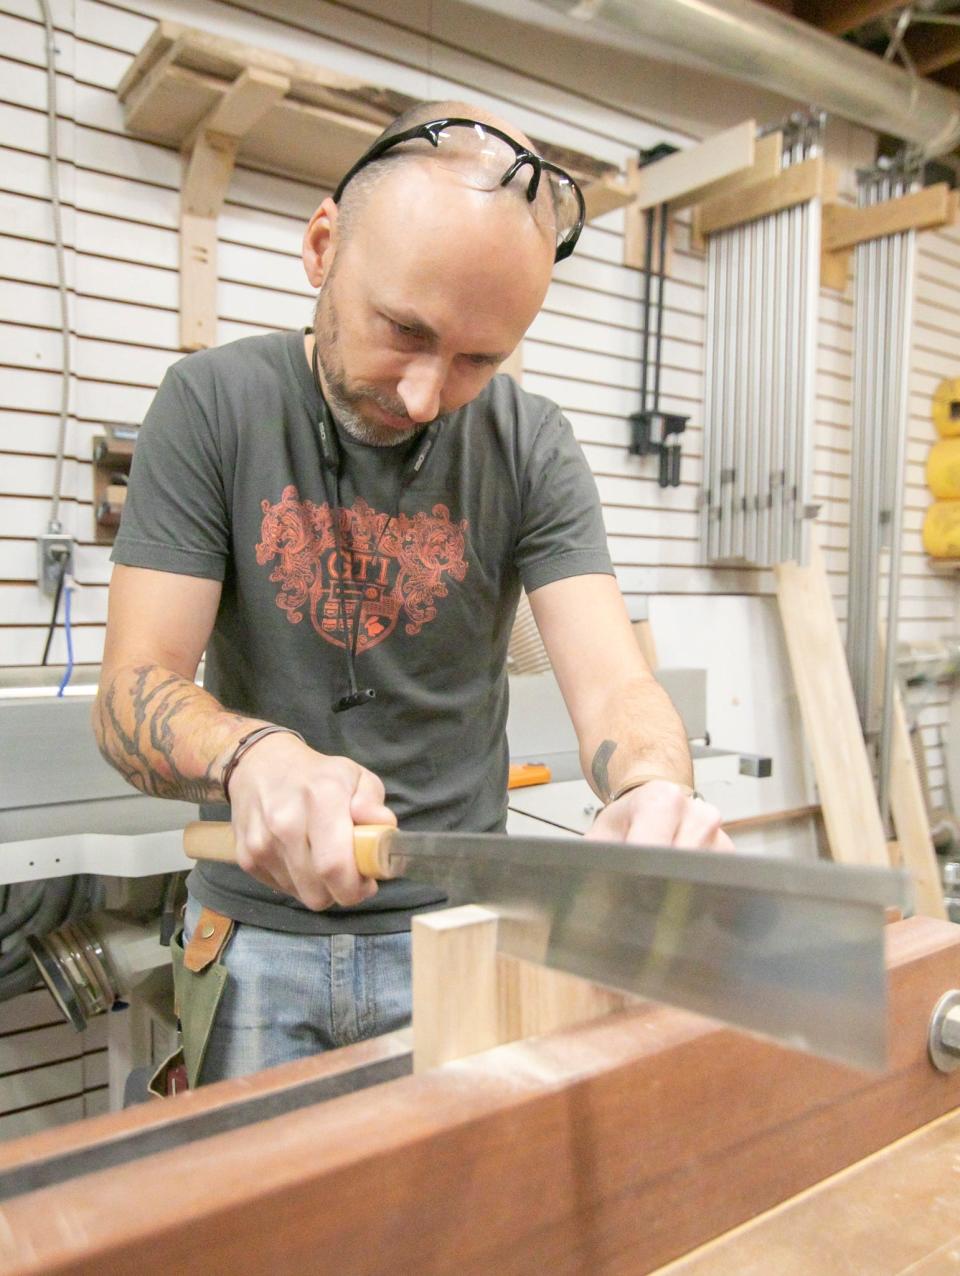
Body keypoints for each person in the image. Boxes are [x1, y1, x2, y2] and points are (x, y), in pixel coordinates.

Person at [94, 100, 731, 1087]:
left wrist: (654, 789)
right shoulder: (212, 406)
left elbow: (615, 687)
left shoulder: (531, 444)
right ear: (322, 247)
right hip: (255, 939)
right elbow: (132, 689)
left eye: (480, 358)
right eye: (404, 329)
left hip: (460, 938)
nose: (429, 394)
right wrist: (251, 753)